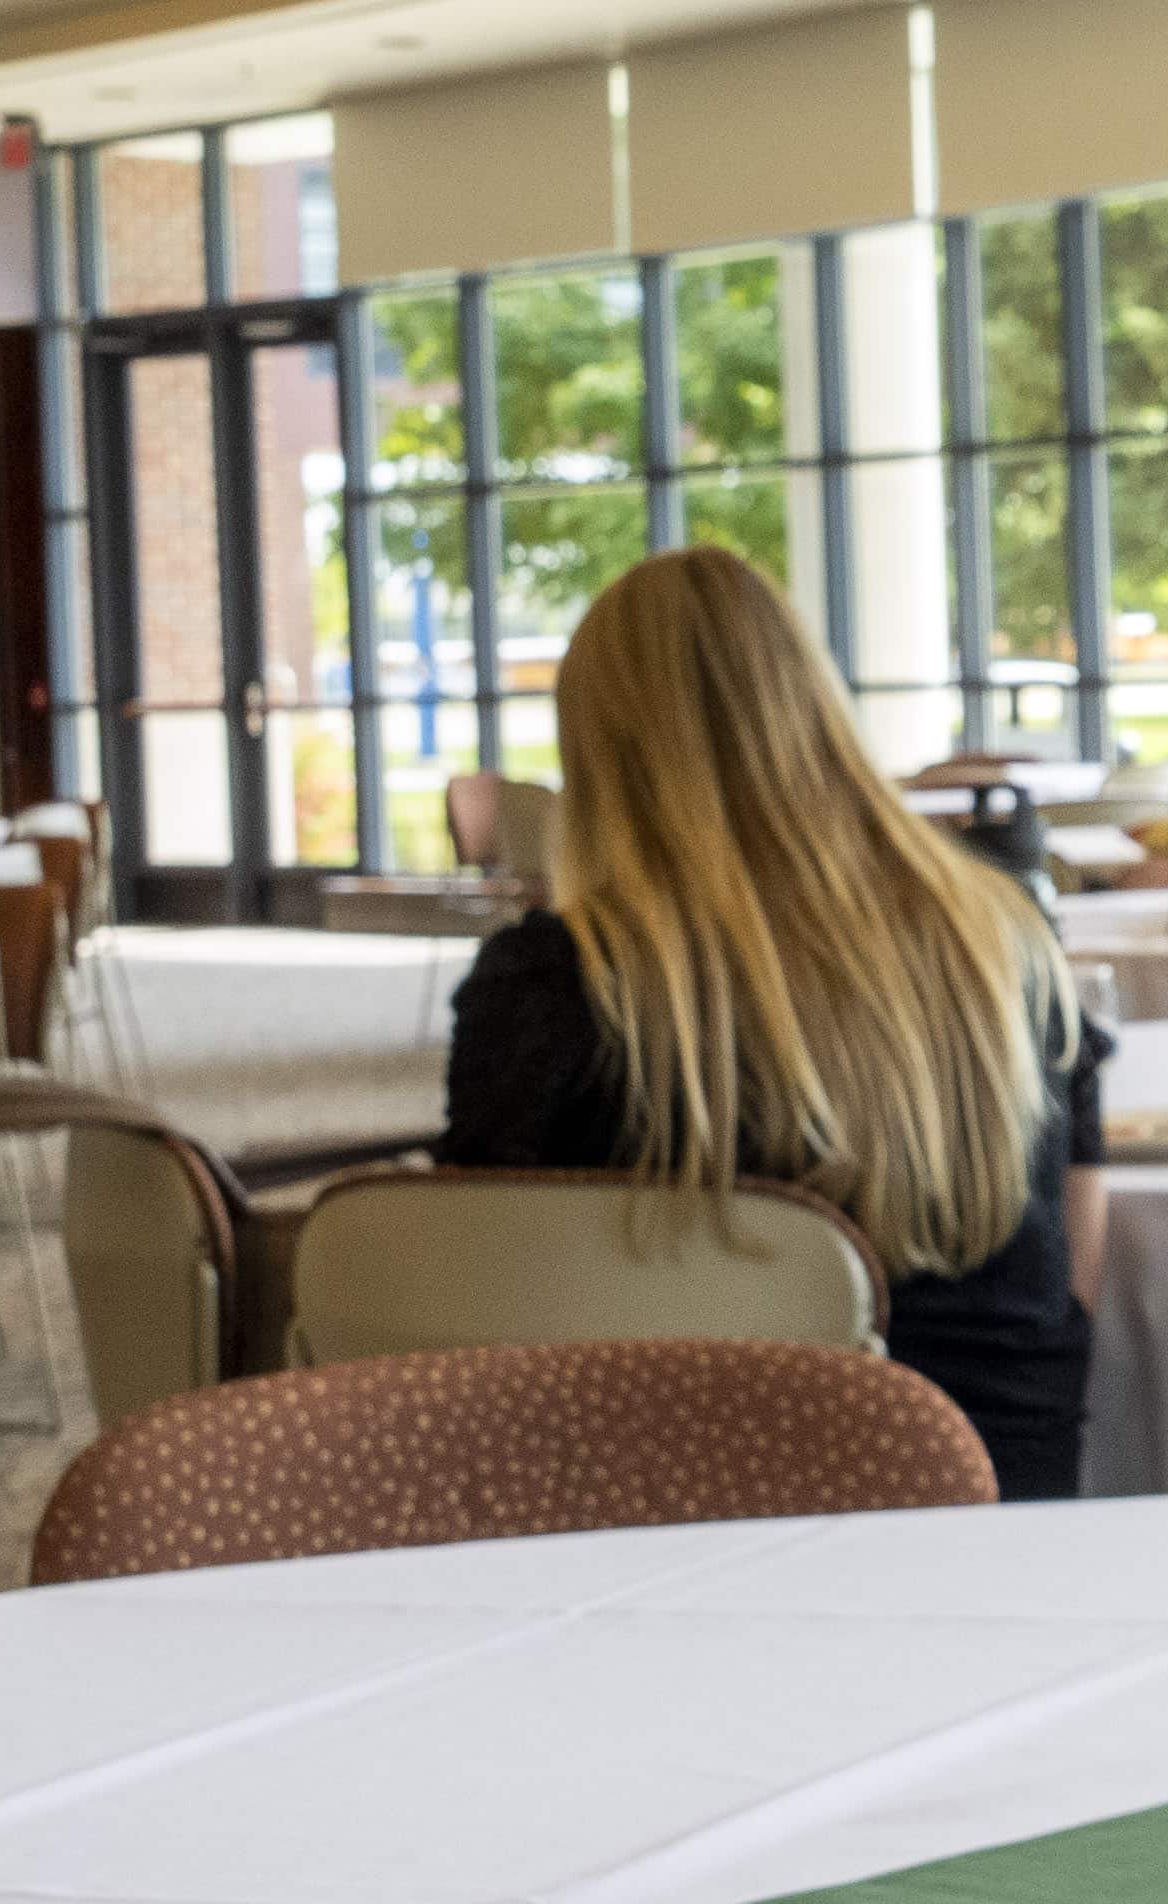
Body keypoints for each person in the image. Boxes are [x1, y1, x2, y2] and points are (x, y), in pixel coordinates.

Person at [442, 537, 1092, 1497]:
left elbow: (490, 1292)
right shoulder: (1001, 927)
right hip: (993, 1487)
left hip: (670, 1517)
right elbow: (1078, 1209)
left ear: (599, 756)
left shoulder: (555, 986)